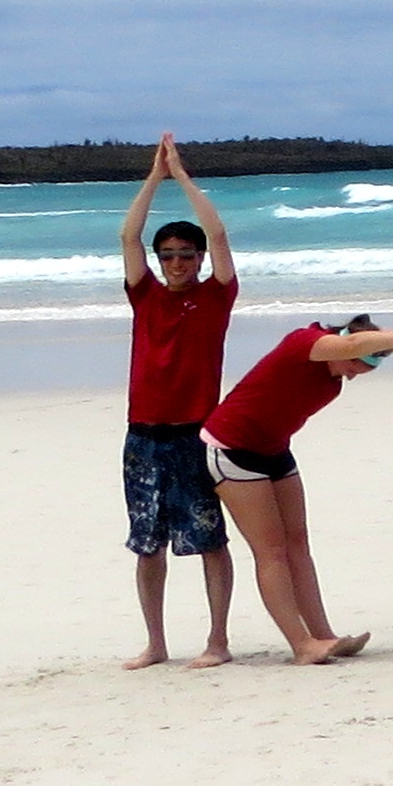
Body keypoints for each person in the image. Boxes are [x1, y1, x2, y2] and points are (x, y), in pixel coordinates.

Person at [202, 304, 393, 663]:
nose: (355, 375)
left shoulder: (339, 367)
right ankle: (301, 645)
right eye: (358, 365)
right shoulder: (309, 343)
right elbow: (370, 342)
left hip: (273, 449)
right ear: (351, 348)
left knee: (298, 543)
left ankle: (322, 634)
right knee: (271, 550)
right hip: (231, 447)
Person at [115, 134, 238, 669]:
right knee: (148, 543)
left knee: (210, 538)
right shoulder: (146, 293)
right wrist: (153, 176)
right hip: (144, 434)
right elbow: (127, 234)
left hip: (196, 433)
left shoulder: (216, 295)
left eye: (186, 255)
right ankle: (156, 643)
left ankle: (218, 640)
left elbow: (217, 230)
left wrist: (183, 177)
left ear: (199, 258)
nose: (177, 262)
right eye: (168, 255)